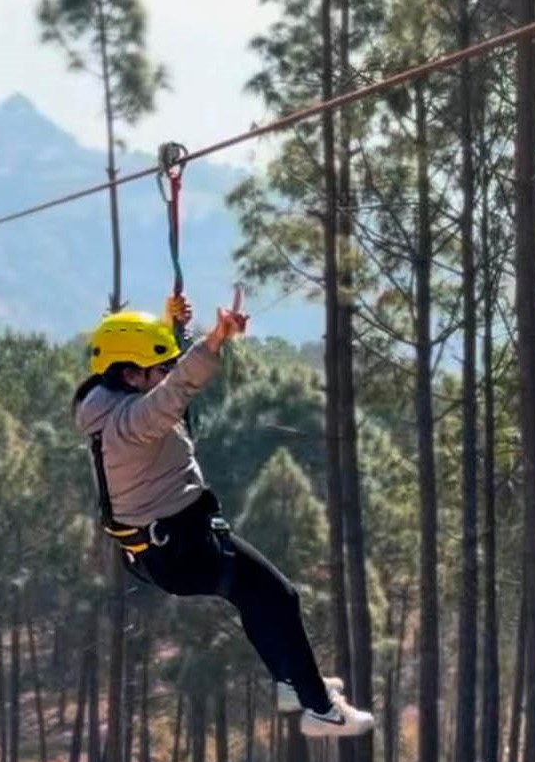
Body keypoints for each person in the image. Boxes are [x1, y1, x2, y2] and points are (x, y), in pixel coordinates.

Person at [72, 291, 374, 737]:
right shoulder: (131, 424)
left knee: (257, 597)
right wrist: (215, 340)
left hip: (164, 549)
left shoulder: (106, 403)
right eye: (160, 367)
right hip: (182, 552)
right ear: (132, 375)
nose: (168, 373)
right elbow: (173, 394)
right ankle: (321, 710)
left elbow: (164, 384)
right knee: (280, 597)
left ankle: (292, 684)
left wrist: (175, 328)